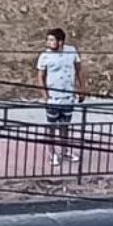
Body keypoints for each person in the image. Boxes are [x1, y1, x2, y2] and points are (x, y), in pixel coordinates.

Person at [35, 28, 85, 167]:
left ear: (60, 41)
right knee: (51, 126)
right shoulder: (45, 56)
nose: (49, 43)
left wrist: (82, 88)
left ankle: (65, 150)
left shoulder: (71, 51)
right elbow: (40, 76)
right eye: (48, 40)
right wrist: (45, 95)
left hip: (68, 96)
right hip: (53, 97)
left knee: (65, 125)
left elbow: (79, 69)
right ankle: (52, 152)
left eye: (52, 40)